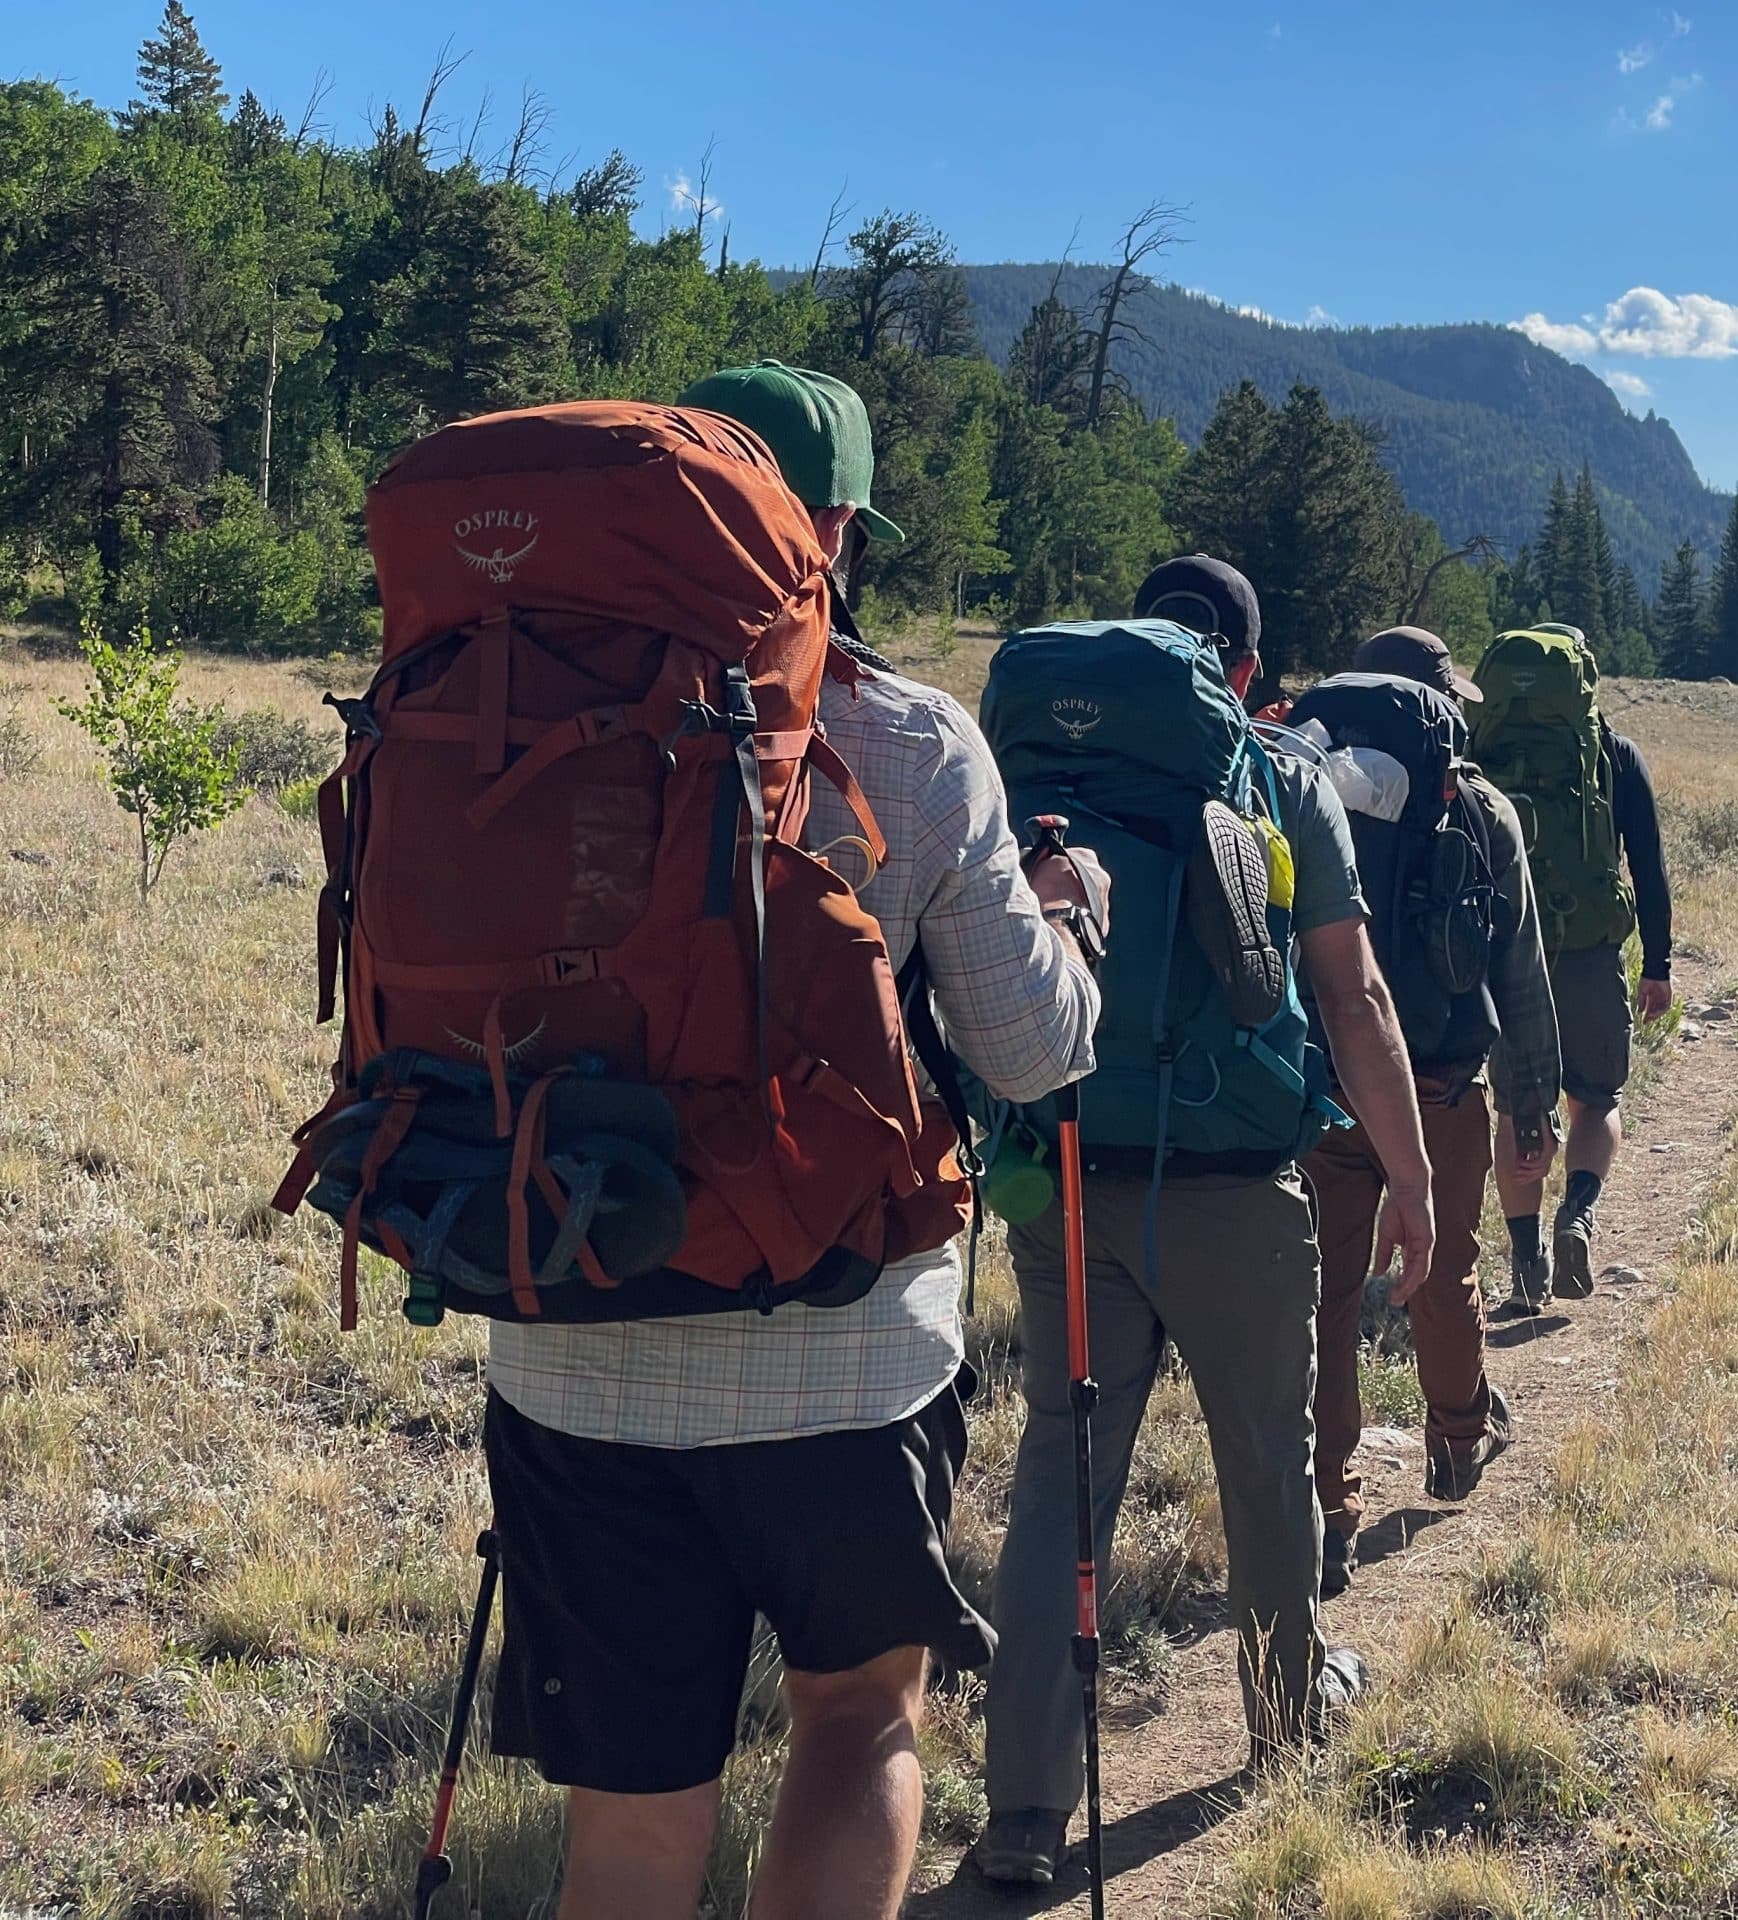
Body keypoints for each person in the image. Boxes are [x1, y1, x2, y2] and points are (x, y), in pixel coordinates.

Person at [479, 361, 1102, 1920]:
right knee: (857, 1721)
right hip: (841, 1346)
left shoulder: (498, 704)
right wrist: (1073, 925)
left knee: (624, 1830)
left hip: (569, 1329)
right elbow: (1032, 1047)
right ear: (827, 526)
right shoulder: (906, 738)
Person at [974, 555, 1437, 1890]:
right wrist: (1411, 1186)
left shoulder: (1037, 771)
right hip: (1235, 1187)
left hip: (1064, 1165)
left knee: (1062, 1475)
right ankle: (1284, 1726)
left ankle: (1020, 1810)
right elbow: (1354, 1003)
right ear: (1243, 670)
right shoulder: (1280, 775)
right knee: (1265, 1464)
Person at [1293, 626, 1560, 1598]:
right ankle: (1454, 1442)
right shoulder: (1477, 806)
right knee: (1443, 1269)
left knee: (1323, 1296)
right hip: (1441, 1083)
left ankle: (1326, 1499)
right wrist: (1530, 1097)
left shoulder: (1301, 781)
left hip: (1321, 1084)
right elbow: (1518, 965)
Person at [1476, 624, 1675, 1309]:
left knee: (1517, 1108)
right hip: (1588, 951)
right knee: (1596, 1100)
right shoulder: (1613, 755)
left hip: (1504, 956)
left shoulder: (1484, 748)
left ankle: (1526, 1264)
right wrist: (1658, 962)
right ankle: (1578, 1213)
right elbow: (1646, 866)